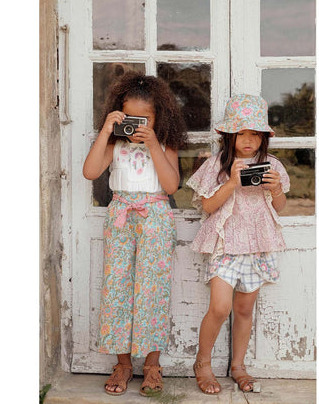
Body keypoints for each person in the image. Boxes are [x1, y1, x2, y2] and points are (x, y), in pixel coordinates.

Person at [83, 71, 187, 396]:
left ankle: (152, 364)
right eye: (130, 118)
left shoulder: (165, 143)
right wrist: (105, 131)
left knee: (152, 289)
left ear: (159, 119)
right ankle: (123, 363)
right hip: (120, 216)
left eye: (145, 120)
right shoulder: (113, 143)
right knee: (117, 288)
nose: (137, 125)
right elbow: (90, 172)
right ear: (118, 113)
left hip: (155, 216)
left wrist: (154, 143)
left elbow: (171, 186)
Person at [186, 94, 290, 394]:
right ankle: (202, 364)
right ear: (230, 135)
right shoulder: (218, 164)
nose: (248, 140)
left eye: (255, 134)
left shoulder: (272, 165)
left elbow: (280, 206)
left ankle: (238, 366)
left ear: (263, 138)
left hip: (257, 245)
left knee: (244, 309)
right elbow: (207, 206)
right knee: (219, 308)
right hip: (225, 245)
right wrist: (231, 181)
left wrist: (277, 188)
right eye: (242, 133)